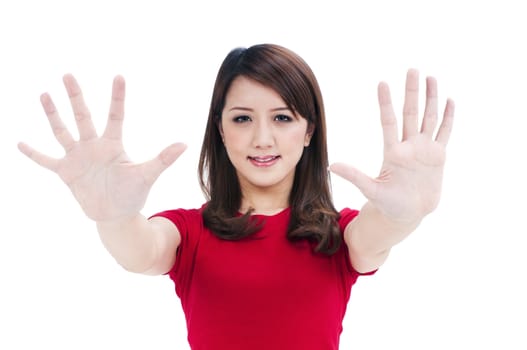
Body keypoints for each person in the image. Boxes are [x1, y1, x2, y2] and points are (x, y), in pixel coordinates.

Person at [18, 44, 455, 350]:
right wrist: (112, 218)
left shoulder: (340, 235)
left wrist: (405, 215)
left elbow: (377, 232)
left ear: (309, 131)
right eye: (243, 118)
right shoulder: (188, 231)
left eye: (282, 117)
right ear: (221, 129)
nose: (262, 138)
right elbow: (140, 250)